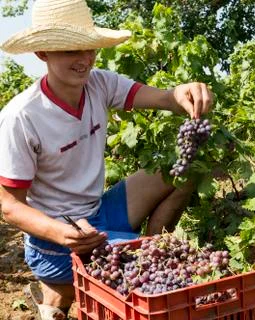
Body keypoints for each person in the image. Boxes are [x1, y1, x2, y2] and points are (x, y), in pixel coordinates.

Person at [0, 0, 213, 319]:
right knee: (141, 276)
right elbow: (9, 206)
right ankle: (65, 289)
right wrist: (62, 234)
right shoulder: (22, 117)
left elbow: (164, 98)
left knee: (185, 165)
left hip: (100, 212)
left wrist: (181, 93)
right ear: (42, 53)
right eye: (71, 50)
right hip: (60, 240)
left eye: (89, 49)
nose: (85, 59)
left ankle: (148, 247)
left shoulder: (99, 84)